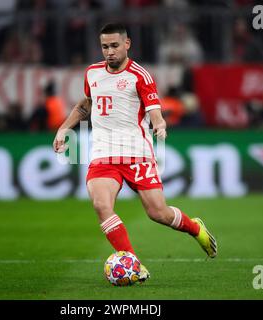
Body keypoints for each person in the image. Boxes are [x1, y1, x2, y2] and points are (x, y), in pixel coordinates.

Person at [52, 23, 217, 282]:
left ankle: (196, 228)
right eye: (105, 46)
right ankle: (133, 263)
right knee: (101, 205)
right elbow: (86, 103)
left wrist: (160, 124)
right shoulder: (92, 73)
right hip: (104, 154)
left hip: (136, 153)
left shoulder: (140, 75)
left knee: (158, 213)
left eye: (115, 46)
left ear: (127, 44)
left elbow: (154, 110)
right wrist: (63, 129)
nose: (110, 52)